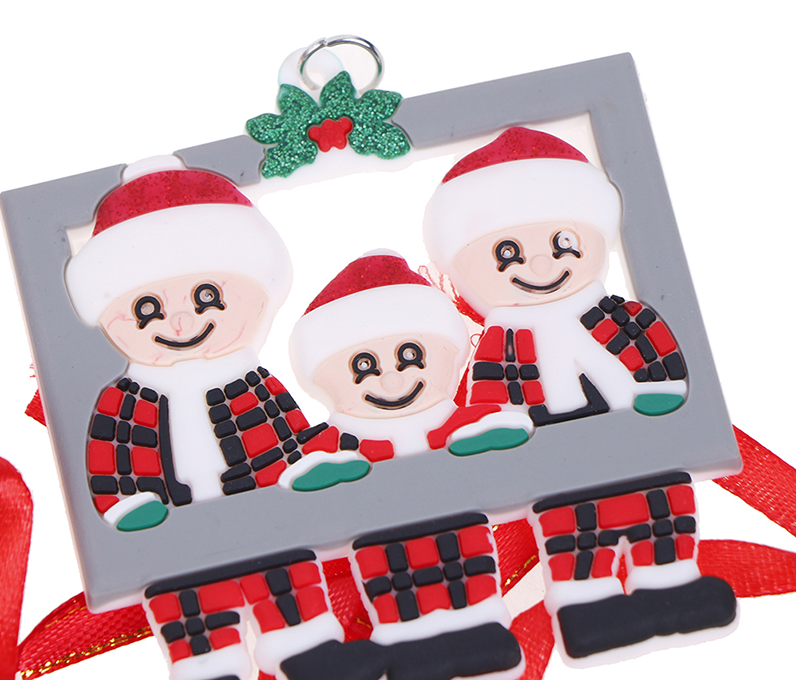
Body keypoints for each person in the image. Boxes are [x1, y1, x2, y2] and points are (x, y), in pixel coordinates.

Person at [422, 127, 737, 665]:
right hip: (557, 466)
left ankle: (673, 586)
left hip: (644, 451)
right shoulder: (502, 342)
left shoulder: (622, 315)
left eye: (562, 243)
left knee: (659, 512)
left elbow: (658, 354)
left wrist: (662, 396)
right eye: (507, 253)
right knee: (575, 533)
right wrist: (495, 430)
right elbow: (490, 398)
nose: (541, 266)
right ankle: (588, 607)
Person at [66, 157, 343, 680]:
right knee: (190, 601)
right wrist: (127, 506)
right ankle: (207, 664)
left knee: (284, 578)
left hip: (264, 510)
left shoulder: (251, 379)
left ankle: (306, 645)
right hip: (173, 529)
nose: (179, 320)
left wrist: (305, 466)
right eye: (146, 308)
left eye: (206, 297)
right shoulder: (126, 399)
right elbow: (112, 459)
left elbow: (285, 432)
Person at [284, 250, 527, 680]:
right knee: (393, 579)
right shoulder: (344, 436)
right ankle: (406, 640)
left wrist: (491, 435)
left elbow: (487, 426)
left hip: (459, 522)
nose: (392, 379)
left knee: (469, 565)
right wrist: (326, 472)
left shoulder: (449, 417)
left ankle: (482, 629)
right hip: (380, 537)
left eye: (410, 356)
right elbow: (308, 465)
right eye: (364, 367)